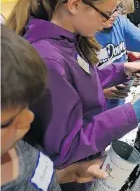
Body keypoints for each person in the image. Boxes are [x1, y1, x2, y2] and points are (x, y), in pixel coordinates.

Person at [5, 0, 140, 175]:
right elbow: (67, 146)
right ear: (74, 4)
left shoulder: (69, 40)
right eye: (105, 14)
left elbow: (78, 83)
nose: (106, 23)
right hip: (74, 173)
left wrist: (121, 69)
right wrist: (135, 112)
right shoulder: (48, 59)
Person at [1, 26, 109, 190]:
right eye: (10, 121)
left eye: (26, 107)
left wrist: (71, 173)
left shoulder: (18, 142)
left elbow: (33, 177)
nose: (29, 118)